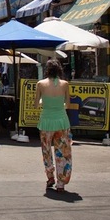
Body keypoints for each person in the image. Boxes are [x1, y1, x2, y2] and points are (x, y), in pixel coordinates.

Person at [34, 58, 72, 193]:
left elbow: (36, 104)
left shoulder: (40, 84)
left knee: (46, 151)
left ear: (47, 70)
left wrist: (46, 103)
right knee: (62, 152)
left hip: (46, 121)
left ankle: (50, 176)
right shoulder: (65, 84)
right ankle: (61, 183)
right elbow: (67, 104)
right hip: (62, 121)